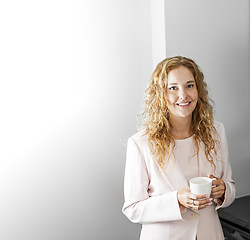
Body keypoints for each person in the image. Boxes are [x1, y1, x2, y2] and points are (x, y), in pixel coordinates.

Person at [122, 56, 236, 240]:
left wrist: (223, 191)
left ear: (198, 89)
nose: (183, 95)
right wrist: (176, 200)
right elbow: (132, 208)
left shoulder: (216, 132)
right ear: (161, 94)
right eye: (173, 88)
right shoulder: (141, 143)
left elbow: (229, 187)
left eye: (190, 85)